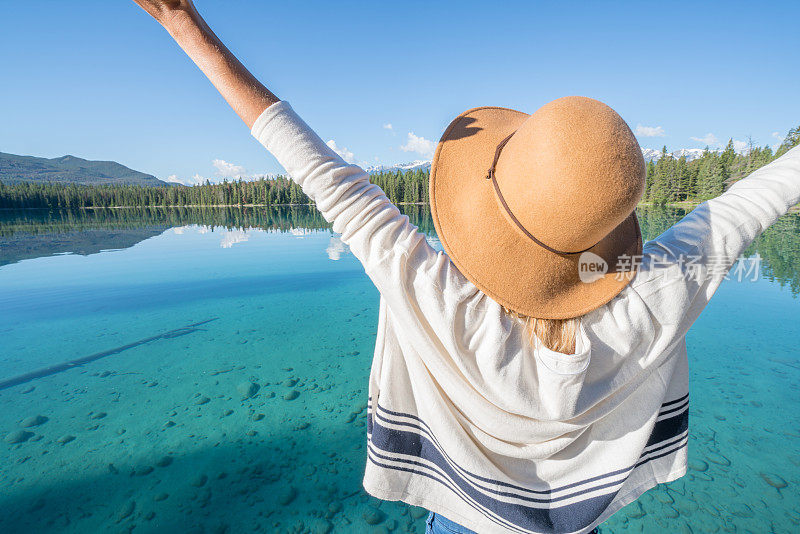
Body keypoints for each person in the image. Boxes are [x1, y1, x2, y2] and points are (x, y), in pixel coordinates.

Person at [130, 2, 800, 533]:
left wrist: (186, 27)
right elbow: (750, 204)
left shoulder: (437, 298)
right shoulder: (655, 299)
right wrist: (624, 263)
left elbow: (323, 175)